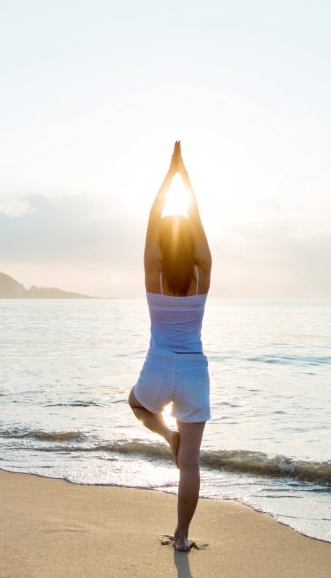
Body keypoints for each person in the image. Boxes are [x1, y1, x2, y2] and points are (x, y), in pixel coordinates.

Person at [128, 141, 212, 552]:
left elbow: (152, 216)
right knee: (191, 465)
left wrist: (170, 173)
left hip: (160, 362)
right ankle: (181, 537)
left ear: (161, 243)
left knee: (138, 405)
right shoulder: (202, 274)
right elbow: (193, 216)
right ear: (193, 245)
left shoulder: (152, 273)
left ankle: (166, 436)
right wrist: (186, 175)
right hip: (194, 368)